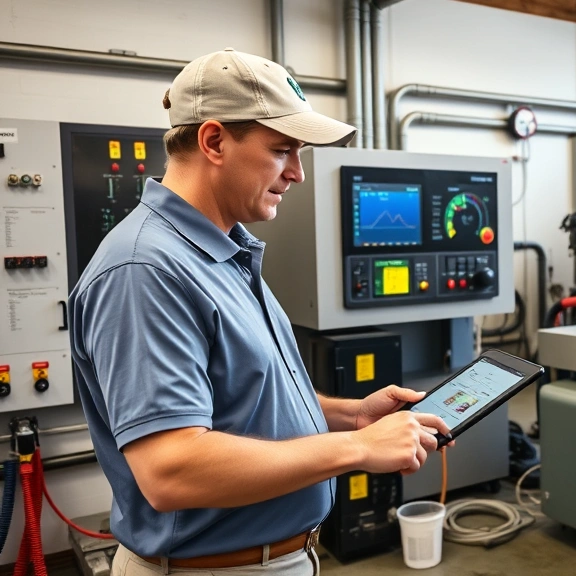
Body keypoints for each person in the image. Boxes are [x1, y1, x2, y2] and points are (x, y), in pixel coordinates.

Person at [68, 48, 451, 575]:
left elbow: (245, 392)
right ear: (214, 140)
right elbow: (171, 469)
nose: (296, 173)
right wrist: (356, 448)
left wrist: (348, 415)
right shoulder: (145, 269)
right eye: (282, 151)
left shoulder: (223, 250)